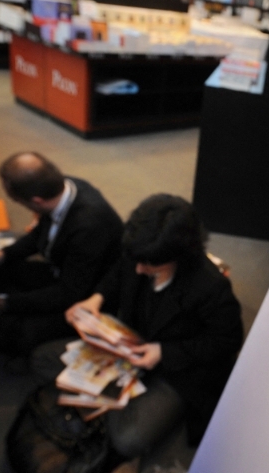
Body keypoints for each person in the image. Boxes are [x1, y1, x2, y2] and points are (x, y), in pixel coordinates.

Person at [32, 194, 244, 468]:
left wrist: (162, 352)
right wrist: (96, 299)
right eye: (136, 260)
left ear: (179, 256)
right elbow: (118, 274)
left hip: (175, 369)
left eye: (149, 265)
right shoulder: (140, 252)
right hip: (128, 344)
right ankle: (116, 402)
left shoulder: (210, 288)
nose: (139, 269)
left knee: (128, 440)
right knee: (42, 359)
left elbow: (226, 341)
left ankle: (113, 404)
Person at [0, 152, 123, 356]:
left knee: (15, 331)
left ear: (36, 201)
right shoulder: (64, 188)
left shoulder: (89, 226)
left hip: (88, 293)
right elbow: (40, 234)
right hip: (63, 270)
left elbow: (69, 293)